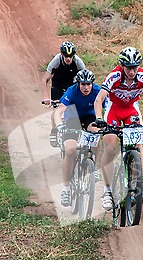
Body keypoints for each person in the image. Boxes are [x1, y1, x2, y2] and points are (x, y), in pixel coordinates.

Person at [93, 46, 143, 211]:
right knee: (111, 147)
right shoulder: (114, 76)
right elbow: (99, 100)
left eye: (135, 67)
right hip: (113, 110)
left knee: (138, 146)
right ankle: (107, 191)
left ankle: (139, 185)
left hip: (131, 111)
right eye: (129, 68)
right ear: (122, 66)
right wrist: (99, 118)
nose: (132, 71)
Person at [53, 69, 102, 207]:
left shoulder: (97, 91)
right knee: (70, 151)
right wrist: (58, 125)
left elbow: (108, 107)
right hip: (72, 117)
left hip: (89, 117)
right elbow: (59, 111)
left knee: (97, 133)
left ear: (92, 84)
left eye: (88, 84)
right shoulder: (72, 91)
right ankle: (66, 188)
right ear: (78, 84)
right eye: (83, 84)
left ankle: (94, 165)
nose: (86, 87)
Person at [41, 41, 86, 147]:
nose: (68, 59)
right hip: (57, 84)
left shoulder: (78, 62)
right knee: (56, 108)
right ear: (61, 54)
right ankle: (54, 130)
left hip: (71, 85)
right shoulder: (56, 60)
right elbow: (45, 80)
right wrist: (46, 98)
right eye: (66, 56)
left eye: (70, 56)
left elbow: (86, 80)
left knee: (73, 109)